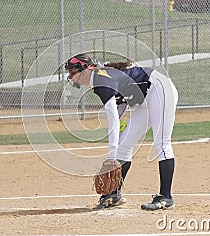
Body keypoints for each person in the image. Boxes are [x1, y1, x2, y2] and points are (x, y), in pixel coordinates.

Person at [65, 53, 178, 211]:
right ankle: (114, 194)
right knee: (124, 145)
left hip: (159, 89)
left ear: (84, 70)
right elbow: (120, 105)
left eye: (72, 72)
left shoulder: (100, 80)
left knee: (162, 143)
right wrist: (114, 148)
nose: (70, 77)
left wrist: (111, 158)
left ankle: (166, 197)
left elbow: (113, 120)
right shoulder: (97, 80)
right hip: (144, 100)